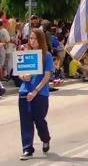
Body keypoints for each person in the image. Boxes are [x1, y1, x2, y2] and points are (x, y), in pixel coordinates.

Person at [18, 29, 53, 160]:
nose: (32, 41)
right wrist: (23, 77)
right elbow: (20, 73)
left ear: (41, 40)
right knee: (26, 121)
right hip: (24, 91)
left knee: (39, 119)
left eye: (35, 38)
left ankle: (45, 138)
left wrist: (35, 91)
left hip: (40, 93)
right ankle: (27, 149)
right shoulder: (26, 54)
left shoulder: (46, 55)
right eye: (30, 38)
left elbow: (47, 76)